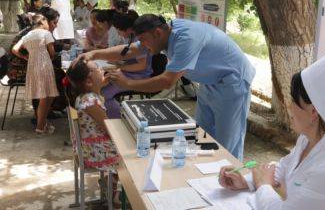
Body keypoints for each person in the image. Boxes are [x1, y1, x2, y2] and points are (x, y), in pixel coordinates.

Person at [218, 39, 325, 209]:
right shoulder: (309, 138)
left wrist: (262, 186)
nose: (289, 106)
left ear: (313, 112)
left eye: (294, 101)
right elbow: (283, 169)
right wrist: (246, 181)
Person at [83, 15, 255, 160]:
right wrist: (94, 53)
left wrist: (127, 84)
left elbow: (167, 81)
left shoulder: (187, 39)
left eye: (144, 40)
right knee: (203, 135)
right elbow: (132, 51)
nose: (143, 46)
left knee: (227, 142)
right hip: (210, 83)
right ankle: (208, 175)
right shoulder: (166, 31)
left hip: (233, 82)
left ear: (157, 33)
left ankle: (231, 180)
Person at [65, 58, 120, 206]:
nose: (102, 69)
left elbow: (94, 91)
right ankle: (112, 190)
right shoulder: (91, 101)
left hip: (87, 147)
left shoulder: (86, 96)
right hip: (93, 152)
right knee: (127, 155)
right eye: (97, 68)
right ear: (89, 81)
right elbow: (108, 127)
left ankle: (109, 184)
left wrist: (100, 84)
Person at [12, 14, 59, 134]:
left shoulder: (27, 35)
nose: (48, 24)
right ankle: (40, 126)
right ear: (42, 22)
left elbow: (14, 49)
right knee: (46, 96)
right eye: (47, 22)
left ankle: (42, 124)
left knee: (46, 96)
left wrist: (25, 56)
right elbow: (52, 53)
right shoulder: (46, 34)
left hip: (32, 66)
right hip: (44, 65)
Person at [100, 12, 152, 118]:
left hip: (139, 76)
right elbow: (129, 57)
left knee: (103, 94)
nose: (118, 33)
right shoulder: (132, 37)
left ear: (128, 29)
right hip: (129, 72)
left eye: (119, 30)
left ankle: (118, 119)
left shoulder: (140, 40)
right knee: (100, 87)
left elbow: (142, 66)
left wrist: (119, 66)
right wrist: (117, 62)